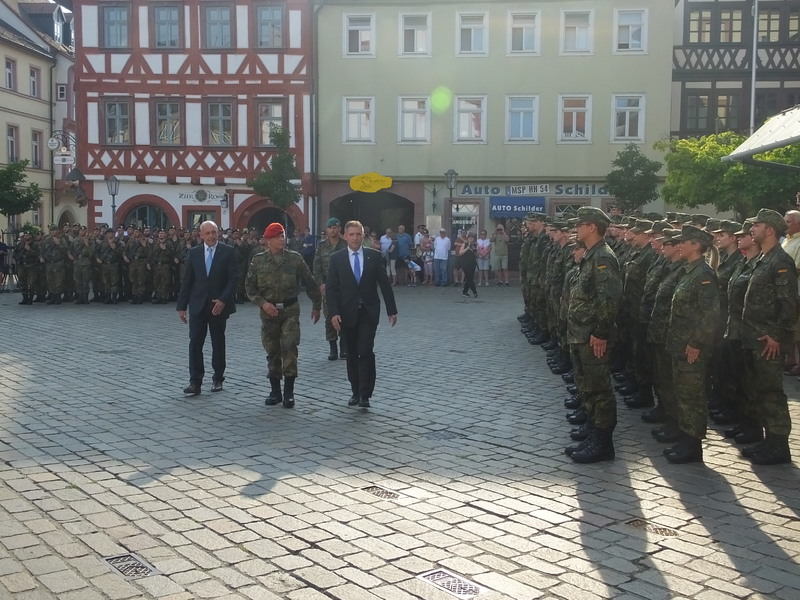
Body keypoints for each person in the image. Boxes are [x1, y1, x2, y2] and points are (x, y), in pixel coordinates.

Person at [564, 207, 622, 463]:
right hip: (580, 333)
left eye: (580, 224)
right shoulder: (591, 255)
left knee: (599, 389)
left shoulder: (603, 258)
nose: (577, 229)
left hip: (592, 335)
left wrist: (601, 332)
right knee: (586, 385)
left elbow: (608, 299)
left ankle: (603, 442)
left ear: (591, 227)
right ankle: (592, 429)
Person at [740, 209, 796, 464]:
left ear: (770, 230)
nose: (752, 229)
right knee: (759, 391)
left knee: (771, 392)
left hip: (768, 341)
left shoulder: (780, 261)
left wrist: (776, 335)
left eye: (757, 225)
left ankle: (779, 446)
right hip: (754, 338)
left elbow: (789, 304)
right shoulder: (764, 258)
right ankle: (768, 441)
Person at [245, 223, 321, 408]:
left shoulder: (295, 259)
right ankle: (275, 391)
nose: (282, 239)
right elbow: (249, 287)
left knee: (289, 347)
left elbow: (310, 282)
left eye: (283, 236)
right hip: (268, 312)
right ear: (268, 240)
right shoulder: (258, 260)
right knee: (272, 350)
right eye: (277, 237)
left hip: (290, 310)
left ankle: (289, 392)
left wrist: (317, 305)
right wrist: (263, 304)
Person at [326, 220, 398, 409]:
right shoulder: (337, 259)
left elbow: (384, 284)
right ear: (345, 236)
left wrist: (392, 310)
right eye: (351, 235)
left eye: (358, 234)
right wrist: (333, 313)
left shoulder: (374, 257)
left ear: (363, 236)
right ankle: (355, 391)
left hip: (368, 312)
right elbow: (332, 289)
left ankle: (366, 394)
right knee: (350, 353)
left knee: (365, 351)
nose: (355, 238)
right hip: (346, 314)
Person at [176, 220, 239, 395]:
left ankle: (218, 378)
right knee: (195, 342)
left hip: (218, 306)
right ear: (201, 235)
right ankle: (195, 382)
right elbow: (187, 280)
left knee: (218, 342)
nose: (211, 236)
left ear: (218, 233)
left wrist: (223, 299)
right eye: (208, 233)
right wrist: (181, 306)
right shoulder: (194, 253)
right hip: (197, 305)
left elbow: (233, 279)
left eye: (214, 232)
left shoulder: (228, 251)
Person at [313, 218, 348, 360]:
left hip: (345, 287)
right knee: (329, 317)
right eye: (330, 228)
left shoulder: (346, 245)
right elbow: (316, 267)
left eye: (335, 227)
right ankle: (332, 348)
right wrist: (321, 284)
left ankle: (344, 348)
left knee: (345, 317)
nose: (332, 230)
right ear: (327, 230)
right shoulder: (321, 246)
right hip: (328, 287)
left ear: (339, 229)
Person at [458, 233, 479, 298]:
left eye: (472, 238)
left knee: (470, 278)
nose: (471, 239)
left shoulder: (475, 245)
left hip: (472, 263)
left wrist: (473, 250)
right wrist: (467, 248)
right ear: (468, 238)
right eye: (470, 238)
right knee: (468, 278)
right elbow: (460, 253)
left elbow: (477, 255)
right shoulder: (465, 244)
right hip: (465, 263)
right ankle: (475, 292)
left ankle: (465, 292)